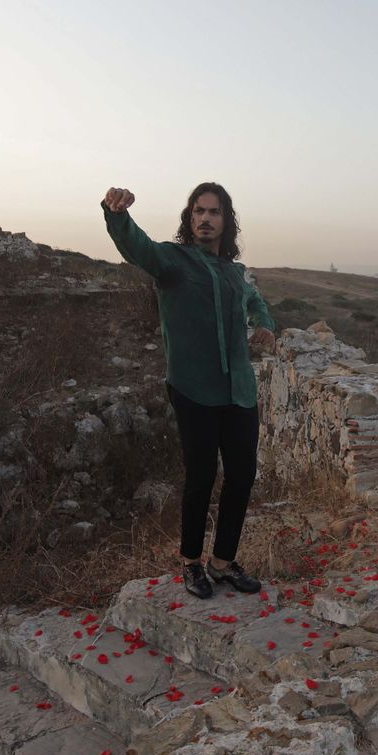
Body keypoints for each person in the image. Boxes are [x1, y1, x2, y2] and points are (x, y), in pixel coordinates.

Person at [101, 181, 275, 599]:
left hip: (239, 391)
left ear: (225, 221)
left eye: (214, 212)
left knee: (242, 477)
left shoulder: (233, 272)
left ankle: (223, 561)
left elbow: (254, 299)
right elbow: (136, 247)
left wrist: (265, 324)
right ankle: (192, 563)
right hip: (194, 388)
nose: (205, 218)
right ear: (189, 217)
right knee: (200, 477)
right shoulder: (173, 261)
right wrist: (117, 214)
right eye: (198, 211)